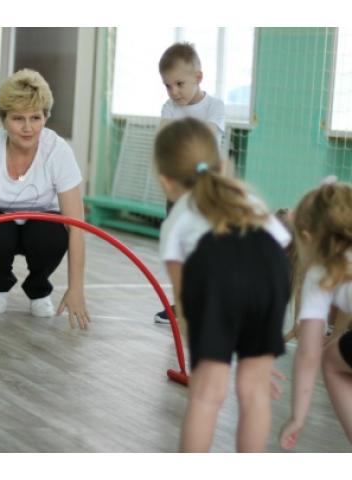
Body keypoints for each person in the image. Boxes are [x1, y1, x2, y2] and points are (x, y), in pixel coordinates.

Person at [155, 117, 291, 452]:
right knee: (254, 389)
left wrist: (202, 353)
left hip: (217, 274)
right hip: (272, 274)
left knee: (207, 393)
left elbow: (185, 302)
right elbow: (280, 247)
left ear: (165, 181)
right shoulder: (247, 200)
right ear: (224, 165)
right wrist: (259, 353)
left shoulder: (177, 219)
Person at [0, 68, 89, 329]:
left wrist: (76, 289)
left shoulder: (58, 151)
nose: (28, 128)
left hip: (42, 224)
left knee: (52, 234)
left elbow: (77, 227)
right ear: (4, 119)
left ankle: (39, 288)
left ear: (46, 117)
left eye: (35, 118)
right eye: (18, 119)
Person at [154, 42, 226, 325]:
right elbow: (164, 139)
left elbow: (205, 138)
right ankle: (182, 303)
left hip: (208, 191)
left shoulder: (214, 107)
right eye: (167, 86)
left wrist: (180, 143)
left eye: (180, 84)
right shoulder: (169, 108)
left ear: (199, 77)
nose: (174, 92)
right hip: (178, 191)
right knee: (179, 247)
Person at [279, 180, 352, 449]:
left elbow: (309, 354)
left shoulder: (320, 271)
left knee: (331, 360)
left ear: (308, 238)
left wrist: (298, 416)